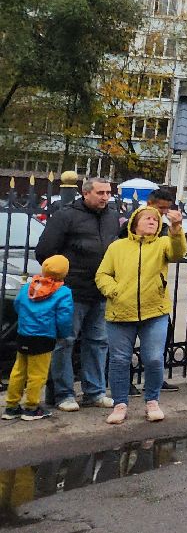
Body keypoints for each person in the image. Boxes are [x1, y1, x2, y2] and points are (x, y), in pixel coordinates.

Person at [95, 205, 187, 424]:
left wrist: (176, 227)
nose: (152, 221)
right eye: (147, 218)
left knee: (154, 358)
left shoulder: (163, 244)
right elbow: (102, 274)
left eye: (155, 219)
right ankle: (119, 404)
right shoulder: (117, 247)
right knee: (119, 360)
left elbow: (178, 252)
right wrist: (114, 290)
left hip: (154, 312)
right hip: (120, 312)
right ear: (135, 223)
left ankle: (152, 401)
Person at [35, 175, 120, 411]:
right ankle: (63, 393)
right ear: (86, 193)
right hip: (71, 291)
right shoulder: (66, 216)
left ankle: (95, 391)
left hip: (100, 291)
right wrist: (63, 276)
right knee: (64, 342)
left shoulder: (112, 217)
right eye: (100, 193)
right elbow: (44, 251)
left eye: (108, 193)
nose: (105, 197)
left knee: (98, 342)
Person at [2, 256, 73, 422]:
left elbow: (17, 304)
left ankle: (11, 406)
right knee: (37, 374)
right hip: (44, 337)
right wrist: (63, 333)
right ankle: (32, 407)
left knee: (18, 370)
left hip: (23, 334)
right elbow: (64, 318)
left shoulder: (29, 286)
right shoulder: (63, 292)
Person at [141, 185, 181, 394]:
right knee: (126, 342)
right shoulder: (135, 224)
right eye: (161, 208)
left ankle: (155, 377)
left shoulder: (163, 227)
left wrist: (176, 228)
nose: (164, 212)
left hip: (156, 293)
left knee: (164, 335)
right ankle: (127, 381)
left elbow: (175, 253)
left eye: (167, 208)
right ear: (150, 204)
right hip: (132, 291)